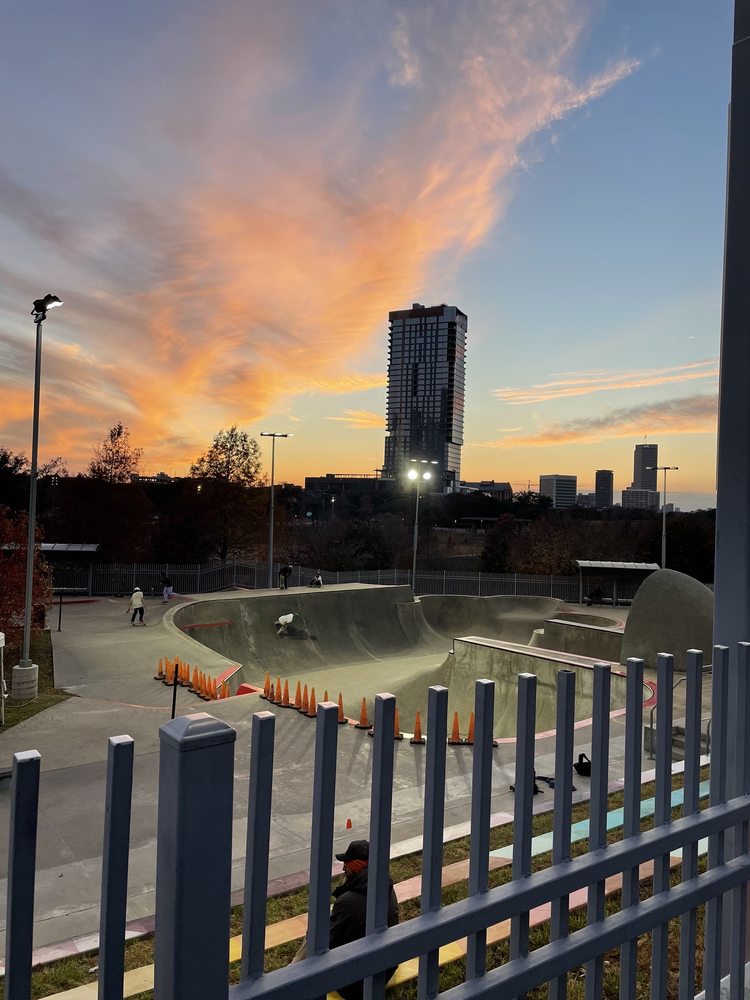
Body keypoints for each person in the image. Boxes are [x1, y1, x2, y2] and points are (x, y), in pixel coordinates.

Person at [292, 839, 399, 998]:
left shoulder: (349, 901)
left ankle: (292, 973)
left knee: (315, 932)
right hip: (383, 971)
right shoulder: (386, 887)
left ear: (355, 866)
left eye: (346, 864)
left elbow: (327, 941)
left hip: (353, 984)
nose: (343, 868)